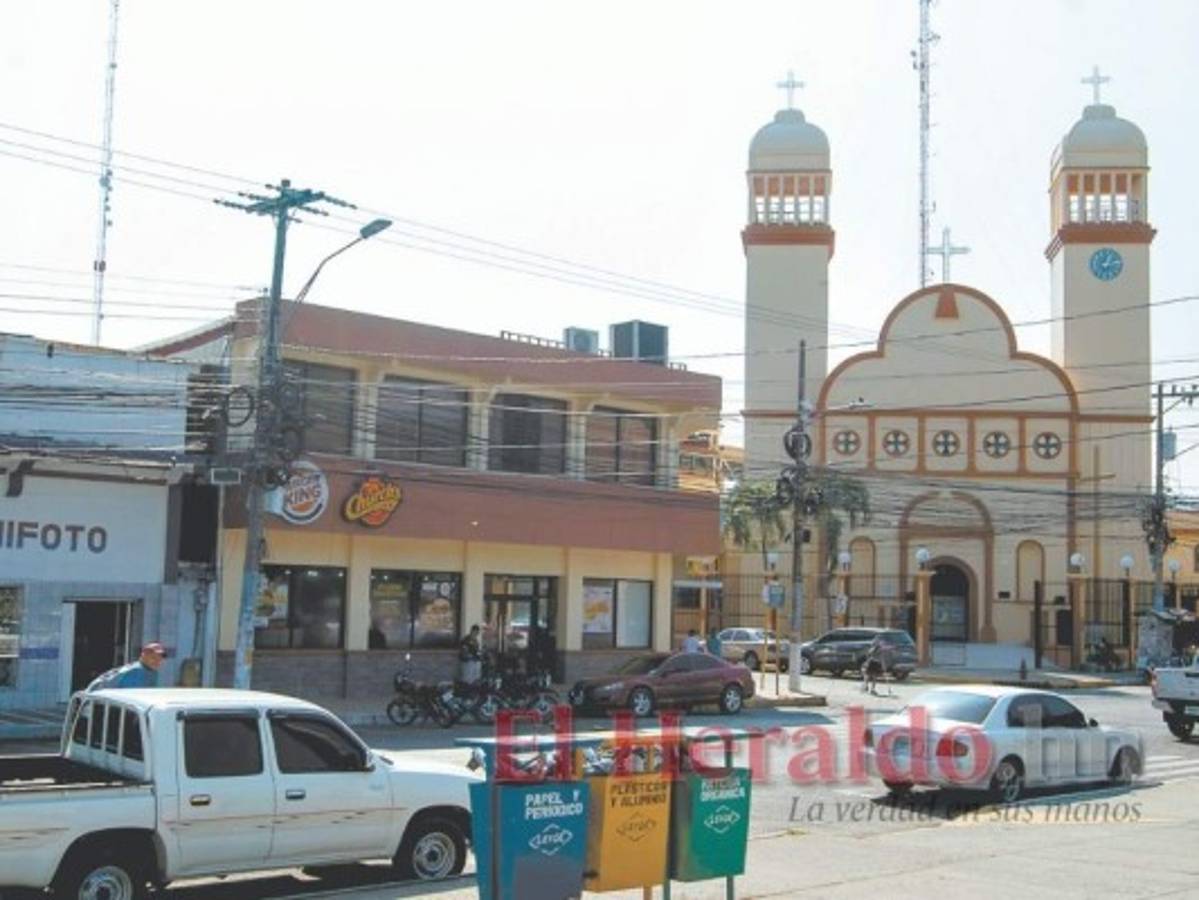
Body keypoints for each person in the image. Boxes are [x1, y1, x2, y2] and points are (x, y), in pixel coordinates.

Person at [87, 642, 166, 691]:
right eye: (153, 658)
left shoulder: (147, 670)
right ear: (143, 655)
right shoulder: (137, 672)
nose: (157, 662)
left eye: (159, 659)